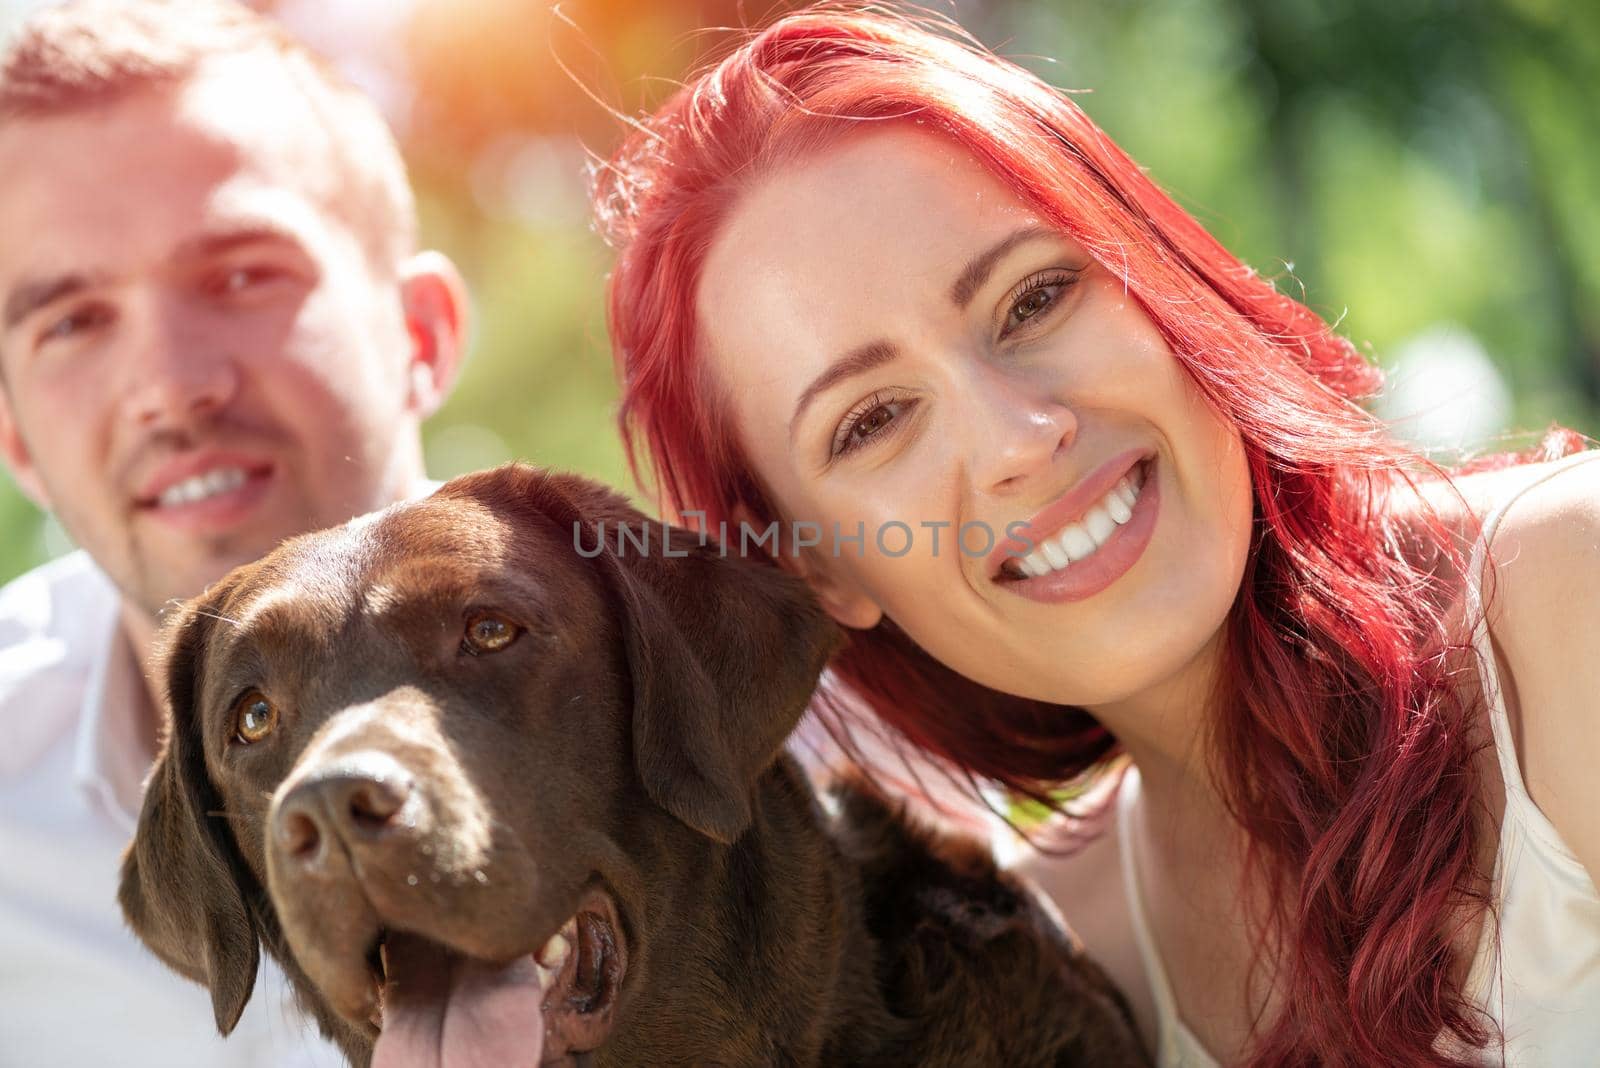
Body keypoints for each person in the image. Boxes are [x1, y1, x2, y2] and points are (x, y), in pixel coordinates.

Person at [594, 7, 1600, 1067]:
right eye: (874, 420)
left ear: (1154, 275)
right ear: (816, 568)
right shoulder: (1062, 959)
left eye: (1034, 298)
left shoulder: (1567, 598)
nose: (1019, 439)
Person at [0, 1, 469, 1063]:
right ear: (16, 440)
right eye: (72, 322)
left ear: (419, 335)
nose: (169, 387)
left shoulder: (717, 711)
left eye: (241, 276)